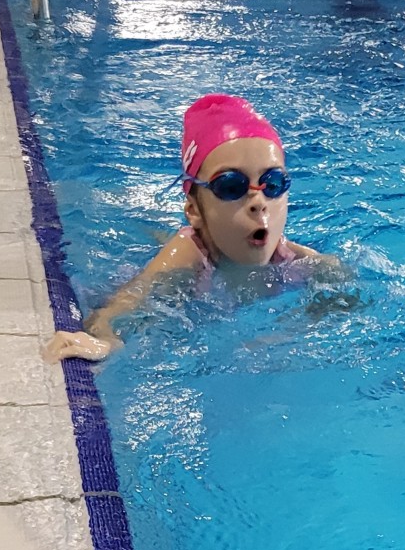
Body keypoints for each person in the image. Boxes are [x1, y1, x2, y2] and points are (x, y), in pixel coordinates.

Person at [44, 96, 338, 364]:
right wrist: (105, 342)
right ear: (194, 210)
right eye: (231, 186)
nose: (259, 203)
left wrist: (293, 330)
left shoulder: (295, 261)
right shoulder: (189, 256)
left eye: (273, 183)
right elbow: (122, 308)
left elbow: (341, 290)